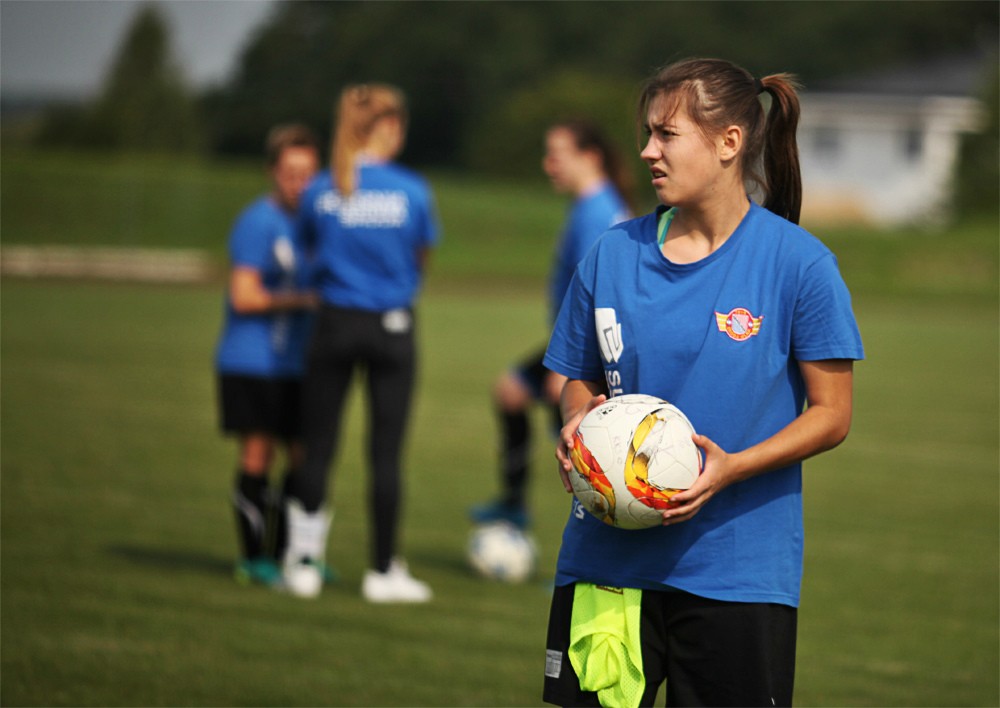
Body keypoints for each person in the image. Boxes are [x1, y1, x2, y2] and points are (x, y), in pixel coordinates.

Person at [541, 58, 864, 707]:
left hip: (737, 576)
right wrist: (577, 420)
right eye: (647, 133)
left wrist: (733, 467)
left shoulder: (799, 265)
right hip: (606, 570)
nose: (647, 150)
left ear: (729, 143)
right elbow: (576, 379)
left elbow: (832, 414)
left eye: (666, 134)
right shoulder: (612, 253)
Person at [283, 84, 440, 602]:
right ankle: (382, 571)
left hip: (331, 324)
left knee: (317, 448)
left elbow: (307, 251)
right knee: (386, 454)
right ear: (389, 127)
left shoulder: (321, 188)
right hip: (392, 327)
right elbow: (421, 257)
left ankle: (303, 564)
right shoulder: (412, 190)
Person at [470, 120, 634, 530]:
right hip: (571, 340)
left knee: (581, 439)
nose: (548, 165)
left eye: (557, 155)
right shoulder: (588, 205)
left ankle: (599, 521)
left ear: (589, 157)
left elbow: (603, 295)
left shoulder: (599, 213)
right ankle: (514, 502)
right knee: (511, 394)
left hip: (591, 345)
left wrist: (570, 367)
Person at [214, 124, 320, 586]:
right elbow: (244, 296)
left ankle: (290, 556)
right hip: (253, 360)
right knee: (258, 454)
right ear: (272, 172)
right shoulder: (258, 221)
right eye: (290, 172)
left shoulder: (317, 224)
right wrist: (304, 300)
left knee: (303, 457)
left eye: (308, 173)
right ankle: (254, 558)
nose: (299, 183)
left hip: (301, 362)